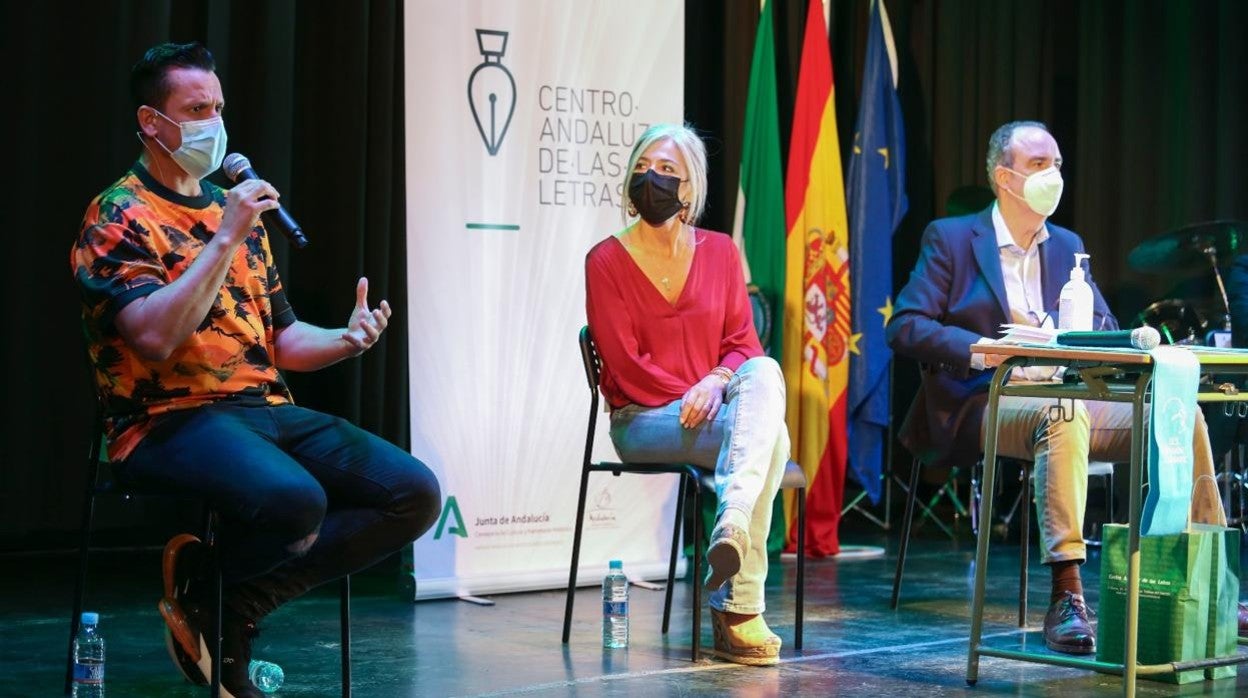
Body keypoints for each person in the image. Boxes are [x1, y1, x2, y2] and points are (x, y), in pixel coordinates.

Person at [70, 42, 441, 697]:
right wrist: (222, 239)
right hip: (162, 419)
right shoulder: (118, 214)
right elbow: (154, 338)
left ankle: (223, 602)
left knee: (413, 493)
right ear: (153, 122)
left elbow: (285, 341)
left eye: (218, 106)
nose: (213, 122)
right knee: (294, 498)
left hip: (263, 407)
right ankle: (217, 607)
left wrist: (346, 341)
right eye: (195, 109)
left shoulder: (233, 211)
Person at [886, 121, 1230, 655]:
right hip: (986, 397)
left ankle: (1212, 578)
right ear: (1005, 177)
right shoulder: (952, 238)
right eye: (1040, 165)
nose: (1055, 176)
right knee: (1064, 414)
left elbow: (1104, 322)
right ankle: (1067, 593)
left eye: (1059, 165)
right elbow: (905, 325)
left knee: (1182, 414)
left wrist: (1094, 333)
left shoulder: (1067, 245)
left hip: (1066, 394)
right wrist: (981, 346)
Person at [584, 123, 790, 666]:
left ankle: (732, 522)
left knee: (764, 371)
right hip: (642, 420)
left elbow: (742, 343)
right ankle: (738, 610)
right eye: (645, 166)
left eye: (668, 170)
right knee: (771, 440)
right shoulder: (604, 260)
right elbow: (626, 368)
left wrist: (716, 381)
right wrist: (698, 393)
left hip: (713, 413)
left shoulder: (721, 252)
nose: (653, 177)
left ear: (690, 190)